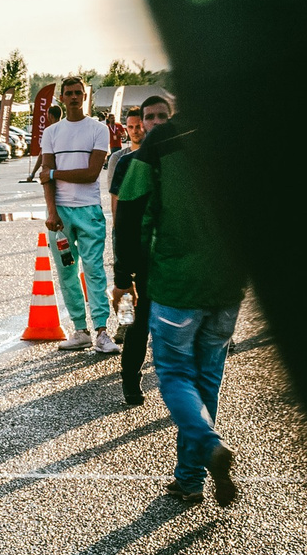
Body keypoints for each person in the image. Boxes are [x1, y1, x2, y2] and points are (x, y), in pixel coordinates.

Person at [110, 107, 245, 508]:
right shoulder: (234, 136)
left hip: (173, 281)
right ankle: (189, 478)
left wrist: (124, 276)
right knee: (209, 379)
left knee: (174, 375)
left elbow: (130, 212)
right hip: (226, 284)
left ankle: (209, 445)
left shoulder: (161, 142)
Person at [38, 76, 114, 352]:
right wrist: (51, 211)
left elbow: (91, 173)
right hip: (61, 215)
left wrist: (56, 173)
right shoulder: (52, 133)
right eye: (68, 93)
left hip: (89, 211)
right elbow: (45, 178)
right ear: (62, 97)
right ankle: (80, 330)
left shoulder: (98, 129)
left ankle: (102, 331)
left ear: (85, 96)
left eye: (77, 93)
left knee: (94, 270)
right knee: (67, 272)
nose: (73, 97)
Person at [107, 94, 172, 405]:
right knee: (137, 325)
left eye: (162, 116)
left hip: (174, 261)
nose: (156, 123)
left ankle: (180, 387)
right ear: (142, 123)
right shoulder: (128, 164)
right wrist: (123, 273)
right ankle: (130, 380)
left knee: (175, 330)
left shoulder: (182, 163)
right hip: (143, 261)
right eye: (151, 118)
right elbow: (122, 222)